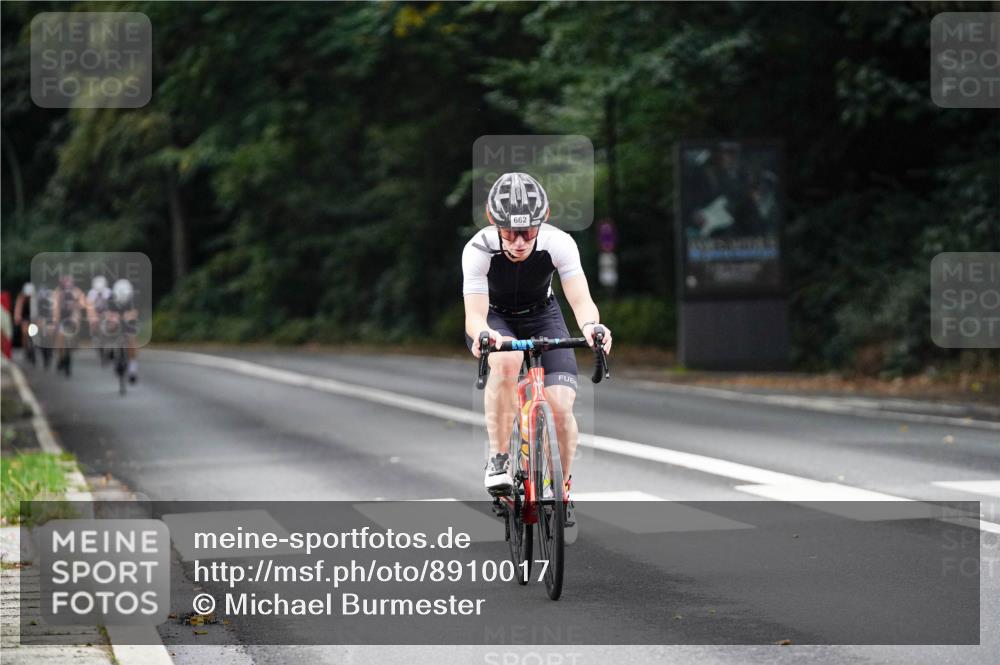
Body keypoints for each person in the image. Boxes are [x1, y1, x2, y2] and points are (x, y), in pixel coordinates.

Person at [462, 172, 613, 529]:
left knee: (561, 404)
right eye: (509, 232)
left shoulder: (558, 243)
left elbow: (581, 301)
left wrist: (592, 327)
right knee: (508, 359)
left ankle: (560, 487)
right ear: (492, 222)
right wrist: (485, 336)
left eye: (527, 232)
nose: (517, 242)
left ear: (542, 221)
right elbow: (474, 316)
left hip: (543, 315)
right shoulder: (478, 248)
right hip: (496, 318)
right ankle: (499, 458)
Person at [106, 278, 140, 383]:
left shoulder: (133, 298)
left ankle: (133, 367)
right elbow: (107, 314)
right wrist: (113, 318)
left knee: (131, 338)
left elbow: (135, 312)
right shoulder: (110, 299)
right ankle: (110, 348)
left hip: (128, 320)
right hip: (116, 318)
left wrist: (128, 316)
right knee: (110, 327)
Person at [53, 274, 86, 376]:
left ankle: (75, 342)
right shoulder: (58, 292)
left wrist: (77, 304)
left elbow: (83, 303)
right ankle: (61, 357)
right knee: (60, 337)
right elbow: (55, 308)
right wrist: (56, 321)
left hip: (72, 318)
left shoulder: (77, 291)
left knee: (76, 320)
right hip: (62, 318)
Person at [13, 283, 36, 365]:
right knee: (25, 332)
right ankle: (25, 348)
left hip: (33, 317)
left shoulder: (35, 299)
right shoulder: (21, 298)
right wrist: (17, 317)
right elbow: (18, 309)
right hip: (24, 317)